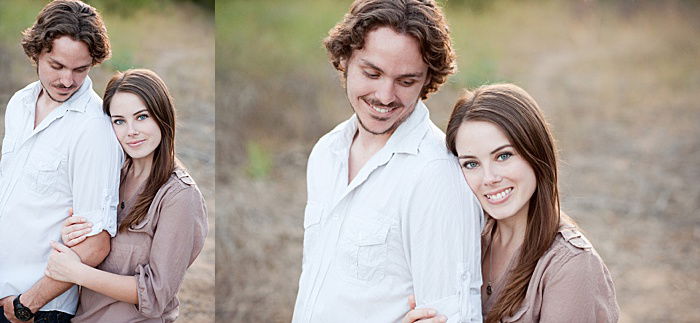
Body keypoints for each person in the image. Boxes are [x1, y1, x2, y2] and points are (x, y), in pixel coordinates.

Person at [292, 0, 483, 322]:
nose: (385, 96)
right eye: (372, 73)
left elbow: (454, 311)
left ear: (427, 81)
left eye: (406, 81)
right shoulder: (327, 151)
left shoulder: (434, 175)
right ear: (345, 59)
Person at [403, 83, 620, 323]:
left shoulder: (572, 266)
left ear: (536, 152)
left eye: (503, 156)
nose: (489, 179)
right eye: (471, 164)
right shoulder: (466, 239)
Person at [42, 69, 208, 322]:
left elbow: (155, 295)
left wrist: (77, 273)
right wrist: (74, 235)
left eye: (141, 117)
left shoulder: (179, 197)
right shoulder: (110, 176)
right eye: (119, 121)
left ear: (163, 116)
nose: (131, 131)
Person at [0, 1, 123, 322]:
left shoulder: (94, 128)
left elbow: (96, 243)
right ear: (36, 52)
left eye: (80, 69)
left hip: (35, 308)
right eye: (57, 66)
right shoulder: (21, 102)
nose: (68, 80)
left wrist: (27, 304)